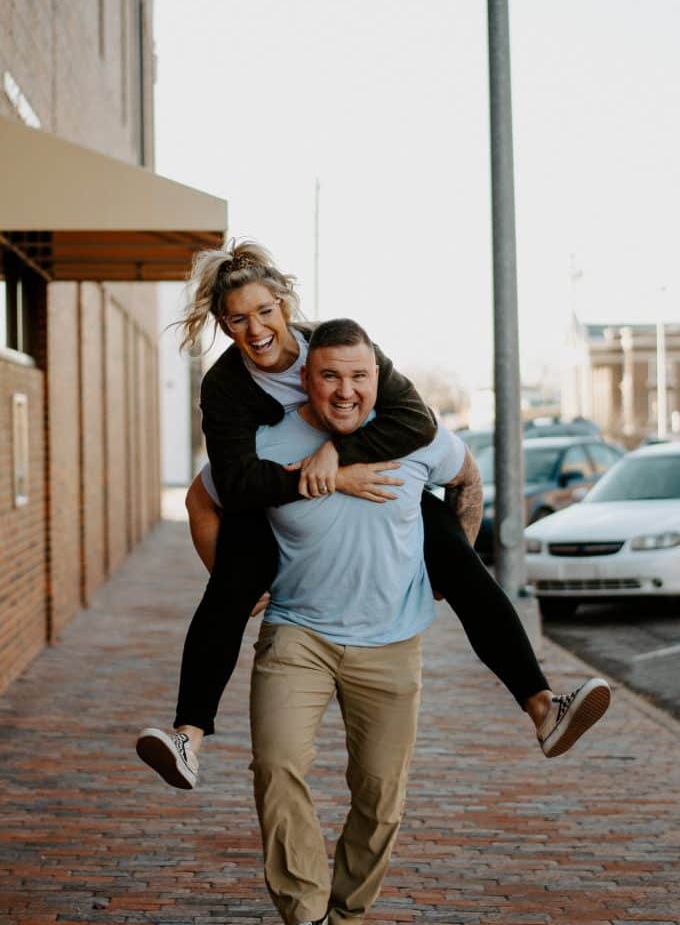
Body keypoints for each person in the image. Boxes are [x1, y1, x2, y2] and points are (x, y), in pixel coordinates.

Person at [136, 240, 610, 791]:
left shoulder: (337, 347)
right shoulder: (224, 385)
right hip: (268, 503)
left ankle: (544, 707)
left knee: (460, 564)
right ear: (223, 322)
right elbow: (235, 486)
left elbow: (415, 420)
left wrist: (338, 453)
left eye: (265, 312)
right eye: (238, 319)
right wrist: (329, 480)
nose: (256, 329)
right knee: (229, 584)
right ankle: (187, 738)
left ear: (285, 305)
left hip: (376, 483)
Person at [250, 318, 474, 925]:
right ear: (307, 377)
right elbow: (204, 498)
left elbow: (468, 479)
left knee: (380, 797)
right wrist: (237, 583)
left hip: (392, 642)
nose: (345, 391)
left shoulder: (418, 436)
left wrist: (452, 575)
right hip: (298, 633)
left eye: (358, 377)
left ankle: (346, 912)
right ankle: (305, 912)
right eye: (330, 376)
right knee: (276, 765)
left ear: (378, 379)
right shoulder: (268, 444)